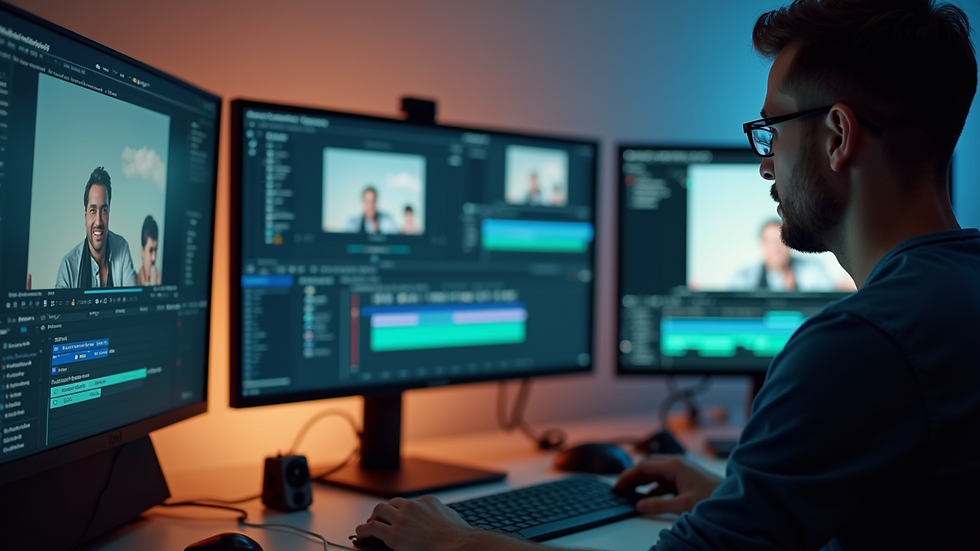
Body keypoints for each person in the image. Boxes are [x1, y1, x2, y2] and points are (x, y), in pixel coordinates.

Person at [355, 1, 979, 549]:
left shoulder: (862, 343)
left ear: (838, 135)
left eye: (772, 131)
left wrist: (452, 545)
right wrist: (739, 497)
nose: (766, 168)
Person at [55, 167, 137, 289]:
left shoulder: (122, 248)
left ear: (109, 213)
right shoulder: (68, 266)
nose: (98, 221)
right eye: (93, 210)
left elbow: (132, 300)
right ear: (85, 216)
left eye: (104, 210)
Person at [728, 219, 835, 291]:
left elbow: (826, 301)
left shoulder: (813, 270)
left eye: (781, 241)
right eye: (770, 241)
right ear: (762, 245)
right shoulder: (743, 277)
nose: (776, 248)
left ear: (790, 244)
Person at [137, 215, 161, 286]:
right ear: (142, 251)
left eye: (155, 250)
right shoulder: (134, 280)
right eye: (150, 251)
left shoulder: (162, 279)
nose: (154, 258)